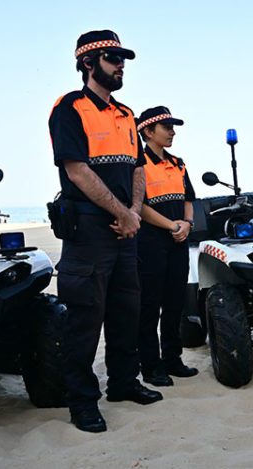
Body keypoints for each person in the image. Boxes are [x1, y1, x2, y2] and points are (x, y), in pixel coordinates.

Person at [48, 30, 162, 433]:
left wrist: (132, 212)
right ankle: (82, 402)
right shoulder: (70, 108)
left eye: (123, 58)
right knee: (83, 318)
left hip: (124, 227)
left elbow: (136, 168)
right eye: (113, 58)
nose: (121, 65)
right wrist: (123, 214)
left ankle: (124, 383)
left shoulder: (127, 114)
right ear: (88, 63)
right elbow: (77, 171)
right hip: (88, 230)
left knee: (124, 311)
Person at [135, 106, 199, 386]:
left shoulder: (179, 163)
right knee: (149, 306)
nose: (173, 132)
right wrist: (172, 226)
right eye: (167, 127)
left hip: (178, 241)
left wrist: (187, 224)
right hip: (150, 243)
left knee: (175, 304)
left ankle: (173, 359)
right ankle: (151, 367)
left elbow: (188, 199)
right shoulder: (137, 164)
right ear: (148, 131)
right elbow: (140, 207)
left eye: (173, 127)